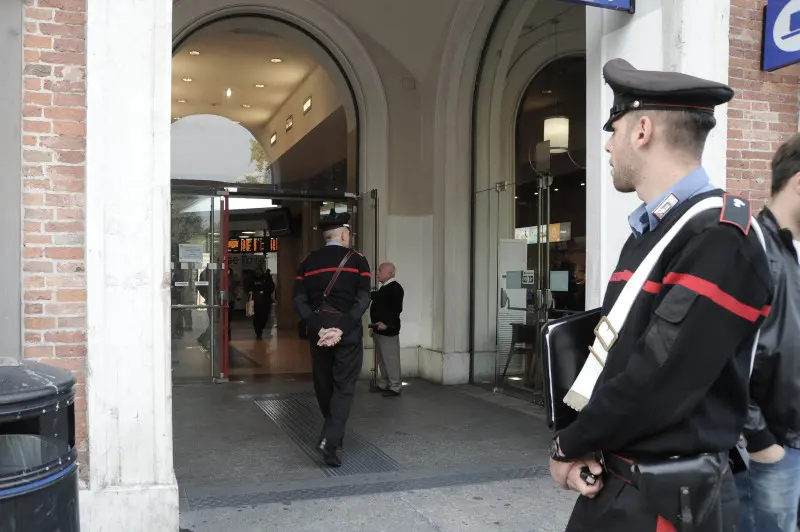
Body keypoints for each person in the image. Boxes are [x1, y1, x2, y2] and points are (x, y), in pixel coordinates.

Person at [549, 58, 773, 531]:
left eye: (615, 129)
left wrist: (569, 444)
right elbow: (625, 350)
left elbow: (659, 376)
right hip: (624, 481)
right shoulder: (660, 229)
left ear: (643, 130)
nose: (608, 144)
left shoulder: (719, 234)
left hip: (670, 502)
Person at [737, 133, 800, 532]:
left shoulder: (790, 250)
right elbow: (722, 357)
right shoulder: (754, 247)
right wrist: (761, 442)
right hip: (773, 448)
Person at [293, 211, 371, 467]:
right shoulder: (358, 260)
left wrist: (319, 328)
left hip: (319, 333)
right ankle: (329, 440)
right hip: (346, 334)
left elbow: (299, 300)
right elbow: (362, 299)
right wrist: (342, 328)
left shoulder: (307, 262)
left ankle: (332, 437)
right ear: (344, 234)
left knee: (324, 385)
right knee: (344, 387)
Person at [369, 262, 404, 397]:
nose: (377, 273)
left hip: (388, 331)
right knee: (382, 360)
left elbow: (396, 309)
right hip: (378, 330)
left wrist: (387, 324)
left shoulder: (395, 288)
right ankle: (384, 383)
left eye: (380, 270)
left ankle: (395, 386)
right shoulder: (384, 288)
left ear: (390, 273)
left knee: (391, 359)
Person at [249, 266, 275, 340]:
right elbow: (247, 287)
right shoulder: (251, 278)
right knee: (256, 317)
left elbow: (272, 286)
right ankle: (258, 332)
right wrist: (251, 292)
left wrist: (265, 292)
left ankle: (260, 329)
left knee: (264, 317)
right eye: (257, 271)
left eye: (259, 271)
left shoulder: (267, 278)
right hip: (254, 300)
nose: (258, 273)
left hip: (265, 300)